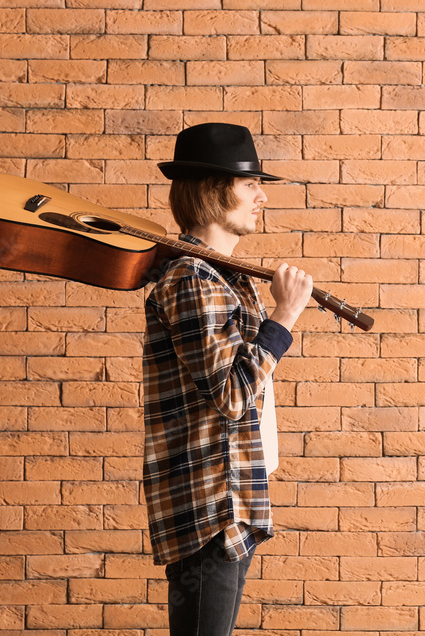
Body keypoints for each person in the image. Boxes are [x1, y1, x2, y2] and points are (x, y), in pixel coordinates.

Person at [142, 122, 313, 636]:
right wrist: (283, 318)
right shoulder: (192, 278)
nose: (262, 196)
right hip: (210, 504)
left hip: (235, 500)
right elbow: (234, 394)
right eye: (250, 184)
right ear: (215, 191)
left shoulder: (226, 278)